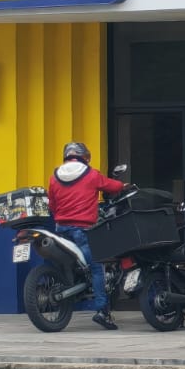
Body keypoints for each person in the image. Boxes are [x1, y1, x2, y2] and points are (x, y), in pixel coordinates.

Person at [49, 140, 126, 330]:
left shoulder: (54, 177)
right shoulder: (91, 175)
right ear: (85, 157)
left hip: (61, 229)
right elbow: (113, 186)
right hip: (83, 229)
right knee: (96, 267)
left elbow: (52, 205)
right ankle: (102, 311)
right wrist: (123, 185)